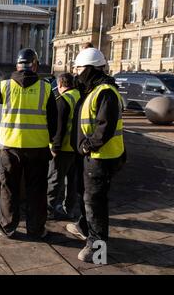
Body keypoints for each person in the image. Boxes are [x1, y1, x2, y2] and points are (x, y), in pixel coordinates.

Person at [66, 48, 127, 263]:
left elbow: (105, 127)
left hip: (101, 157)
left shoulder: (105, 92)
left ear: (91, 69)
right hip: (92, 157)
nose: (76, 72)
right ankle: (84, 227)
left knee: (96, 204)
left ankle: (98, 250)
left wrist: (87, 146)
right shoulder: (93, 90)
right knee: (86, 196)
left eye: (80, 68)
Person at [0, 49, 58, 239]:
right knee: (36, 191)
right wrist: (52, 142)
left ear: (17, 66)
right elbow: (53, 122)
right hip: (38, 150)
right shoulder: (46, 88)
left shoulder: (4, 87)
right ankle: (36, 229)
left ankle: (8, 227)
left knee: (8, 189)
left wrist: (0, 133)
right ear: (34, 65)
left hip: (10, 149)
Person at [47, 73, 81, 220]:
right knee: (72, 182)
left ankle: (48, 211)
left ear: (60, 84)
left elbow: (59, 128)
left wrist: (55, 147)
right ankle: (69, 210)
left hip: (63, 148)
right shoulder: (80, 97)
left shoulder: (63, 100)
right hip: (77, 148)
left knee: (54, 180)